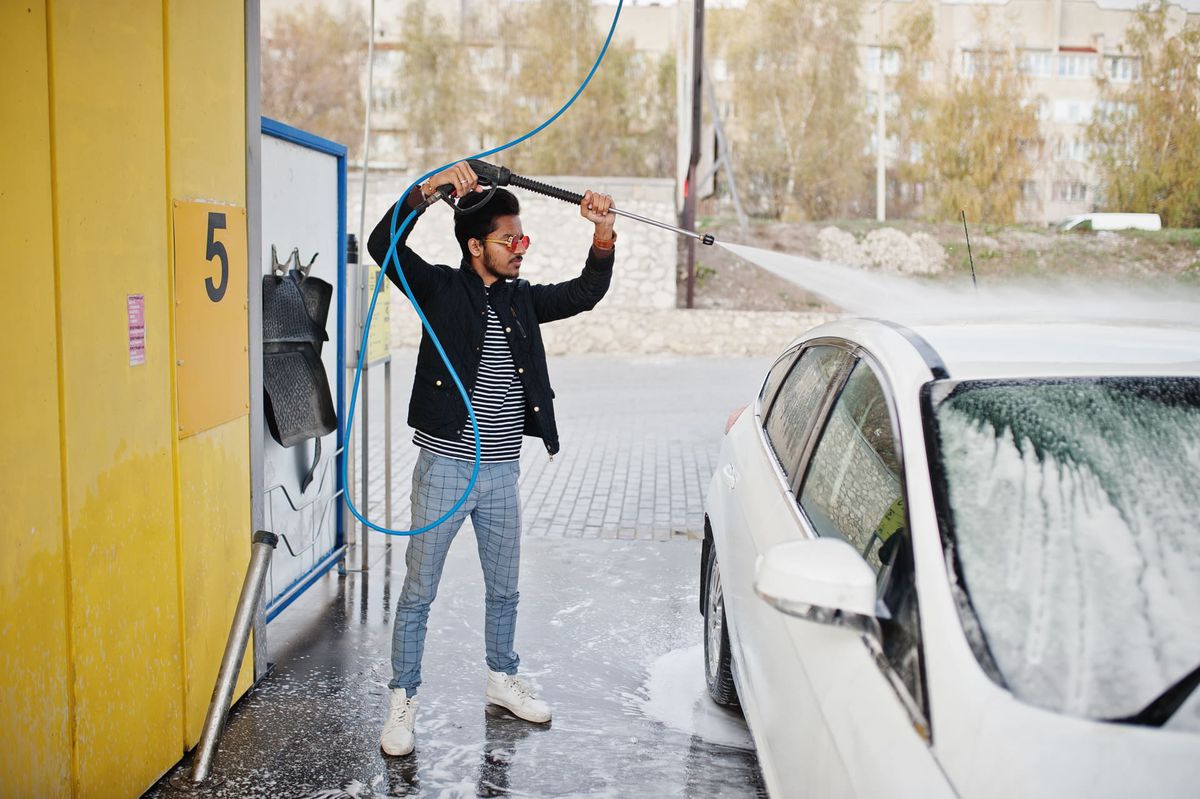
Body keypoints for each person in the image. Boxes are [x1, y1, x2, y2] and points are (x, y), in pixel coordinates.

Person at [366, 161, 616, 757]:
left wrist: (602, 234)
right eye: (509, 240)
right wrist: (428, 192)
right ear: (476, 245)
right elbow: (382, 245)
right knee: (420, 591)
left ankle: (501, 678)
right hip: (444, 469)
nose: (520, 249)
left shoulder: (523, 300)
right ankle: (403, 698)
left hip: (501, 473)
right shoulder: (436, 289)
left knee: (504, 589)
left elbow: (585, 293)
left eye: (522, 238)